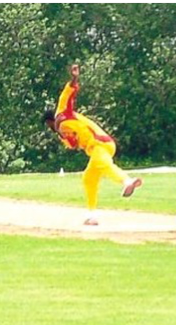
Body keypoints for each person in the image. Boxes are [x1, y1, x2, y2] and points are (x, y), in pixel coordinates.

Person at [42, 65, 142, 226]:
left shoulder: (61, 113)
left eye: (48, 125)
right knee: (89, 178)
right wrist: (65, 135)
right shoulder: (62, 134)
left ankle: (127, 181)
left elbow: (69, 93)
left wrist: (74, 78)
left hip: (100, 142)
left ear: (50, 121)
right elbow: (73, 145)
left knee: (105, 166)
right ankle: (91, 215)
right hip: (97, 148)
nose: (50, 128)